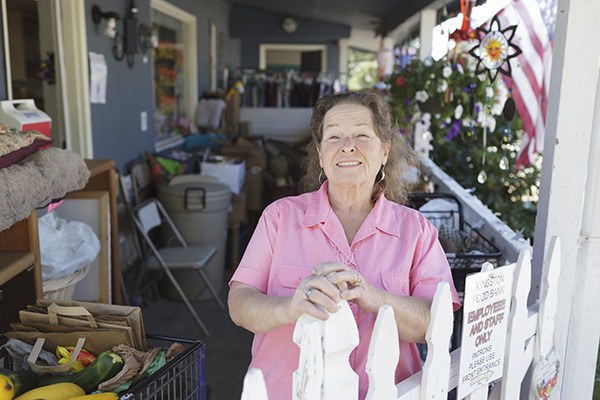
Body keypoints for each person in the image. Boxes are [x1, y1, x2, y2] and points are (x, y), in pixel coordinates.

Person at [228, 90, 460, 399]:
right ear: (321, 154)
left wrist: (371, 295)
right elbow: (240, 304)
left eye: (362, 135)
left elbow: (434, 322)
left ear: (385, 151)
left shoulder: (416, 231)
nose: (347, 146)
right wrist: (290, 307)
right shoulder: (280, 218)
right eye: (334, 137)